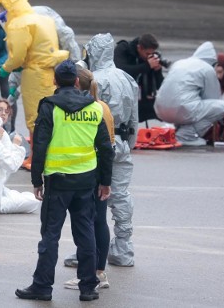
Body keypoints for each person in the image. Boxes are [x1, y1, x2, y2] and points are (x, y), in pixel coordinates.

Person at [16, 60, 113, 302]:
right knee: (85, 234)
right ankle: (89, 287)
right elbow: (105, 148)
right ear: (78, 81)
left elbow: (39, 145)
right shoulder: (95, 108)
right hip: (86, 181)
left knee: (50, 235)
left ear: (55, 81)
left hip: (57, 182)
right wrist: (105, 181)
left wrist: (36, 179)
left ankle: (42, 286)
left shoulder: (50, 106)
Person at [0, 0, 69, 136]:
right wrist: (15, 80)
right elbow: (35, 53)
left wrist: (5, 69)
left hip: (35, 78)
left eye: (1, 7)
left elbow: (18, 57)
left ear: (7, 5)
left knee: (36, 118)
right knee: (50, 116)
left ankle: (36, 156)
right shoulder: (43, 19)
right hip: (49, 75)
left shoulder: (19, 24)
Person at [84, 34, 139, 267]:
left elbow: (87, 116)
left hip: (98, 144)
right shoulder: (126, 78)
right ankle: (123, 248)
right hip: (123, 141)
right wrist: (130, 142)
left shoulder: (93, 79)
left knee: (91, 198)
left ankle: (88, 249)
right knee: (120, 196)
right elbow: (135, 116)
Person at [63, 65, 115, 290]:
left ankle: (91, 274)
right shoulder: (102, 106)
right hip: (99, 170)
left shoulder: (84, 108)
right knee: (98, 221)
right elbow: (109, 145)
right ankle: (98, 272)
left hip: (86, 171)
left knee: (86, 224)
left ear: (75, 83)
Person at [154, 42, 224, 146]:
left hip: (160, 109)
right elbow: (212, 98)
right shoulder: (207, 68)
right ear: (212, 61)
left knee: (190, 103)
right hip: (181, 110)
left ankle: (179, 133)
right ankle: (186, 136)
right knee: (222, 106)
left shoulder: (179, 62)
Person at [114, 33, 165, 122]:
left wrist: (157, 71)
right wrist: (147, 66)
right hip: (124, 102)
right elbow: (120, 71)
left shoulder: (150, 58)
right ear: (139, 48)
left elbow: (159, 86)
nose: (149, 56)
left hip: (145, 104)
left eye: (152, 53)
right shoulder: (123, 49)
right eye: (147, 53)